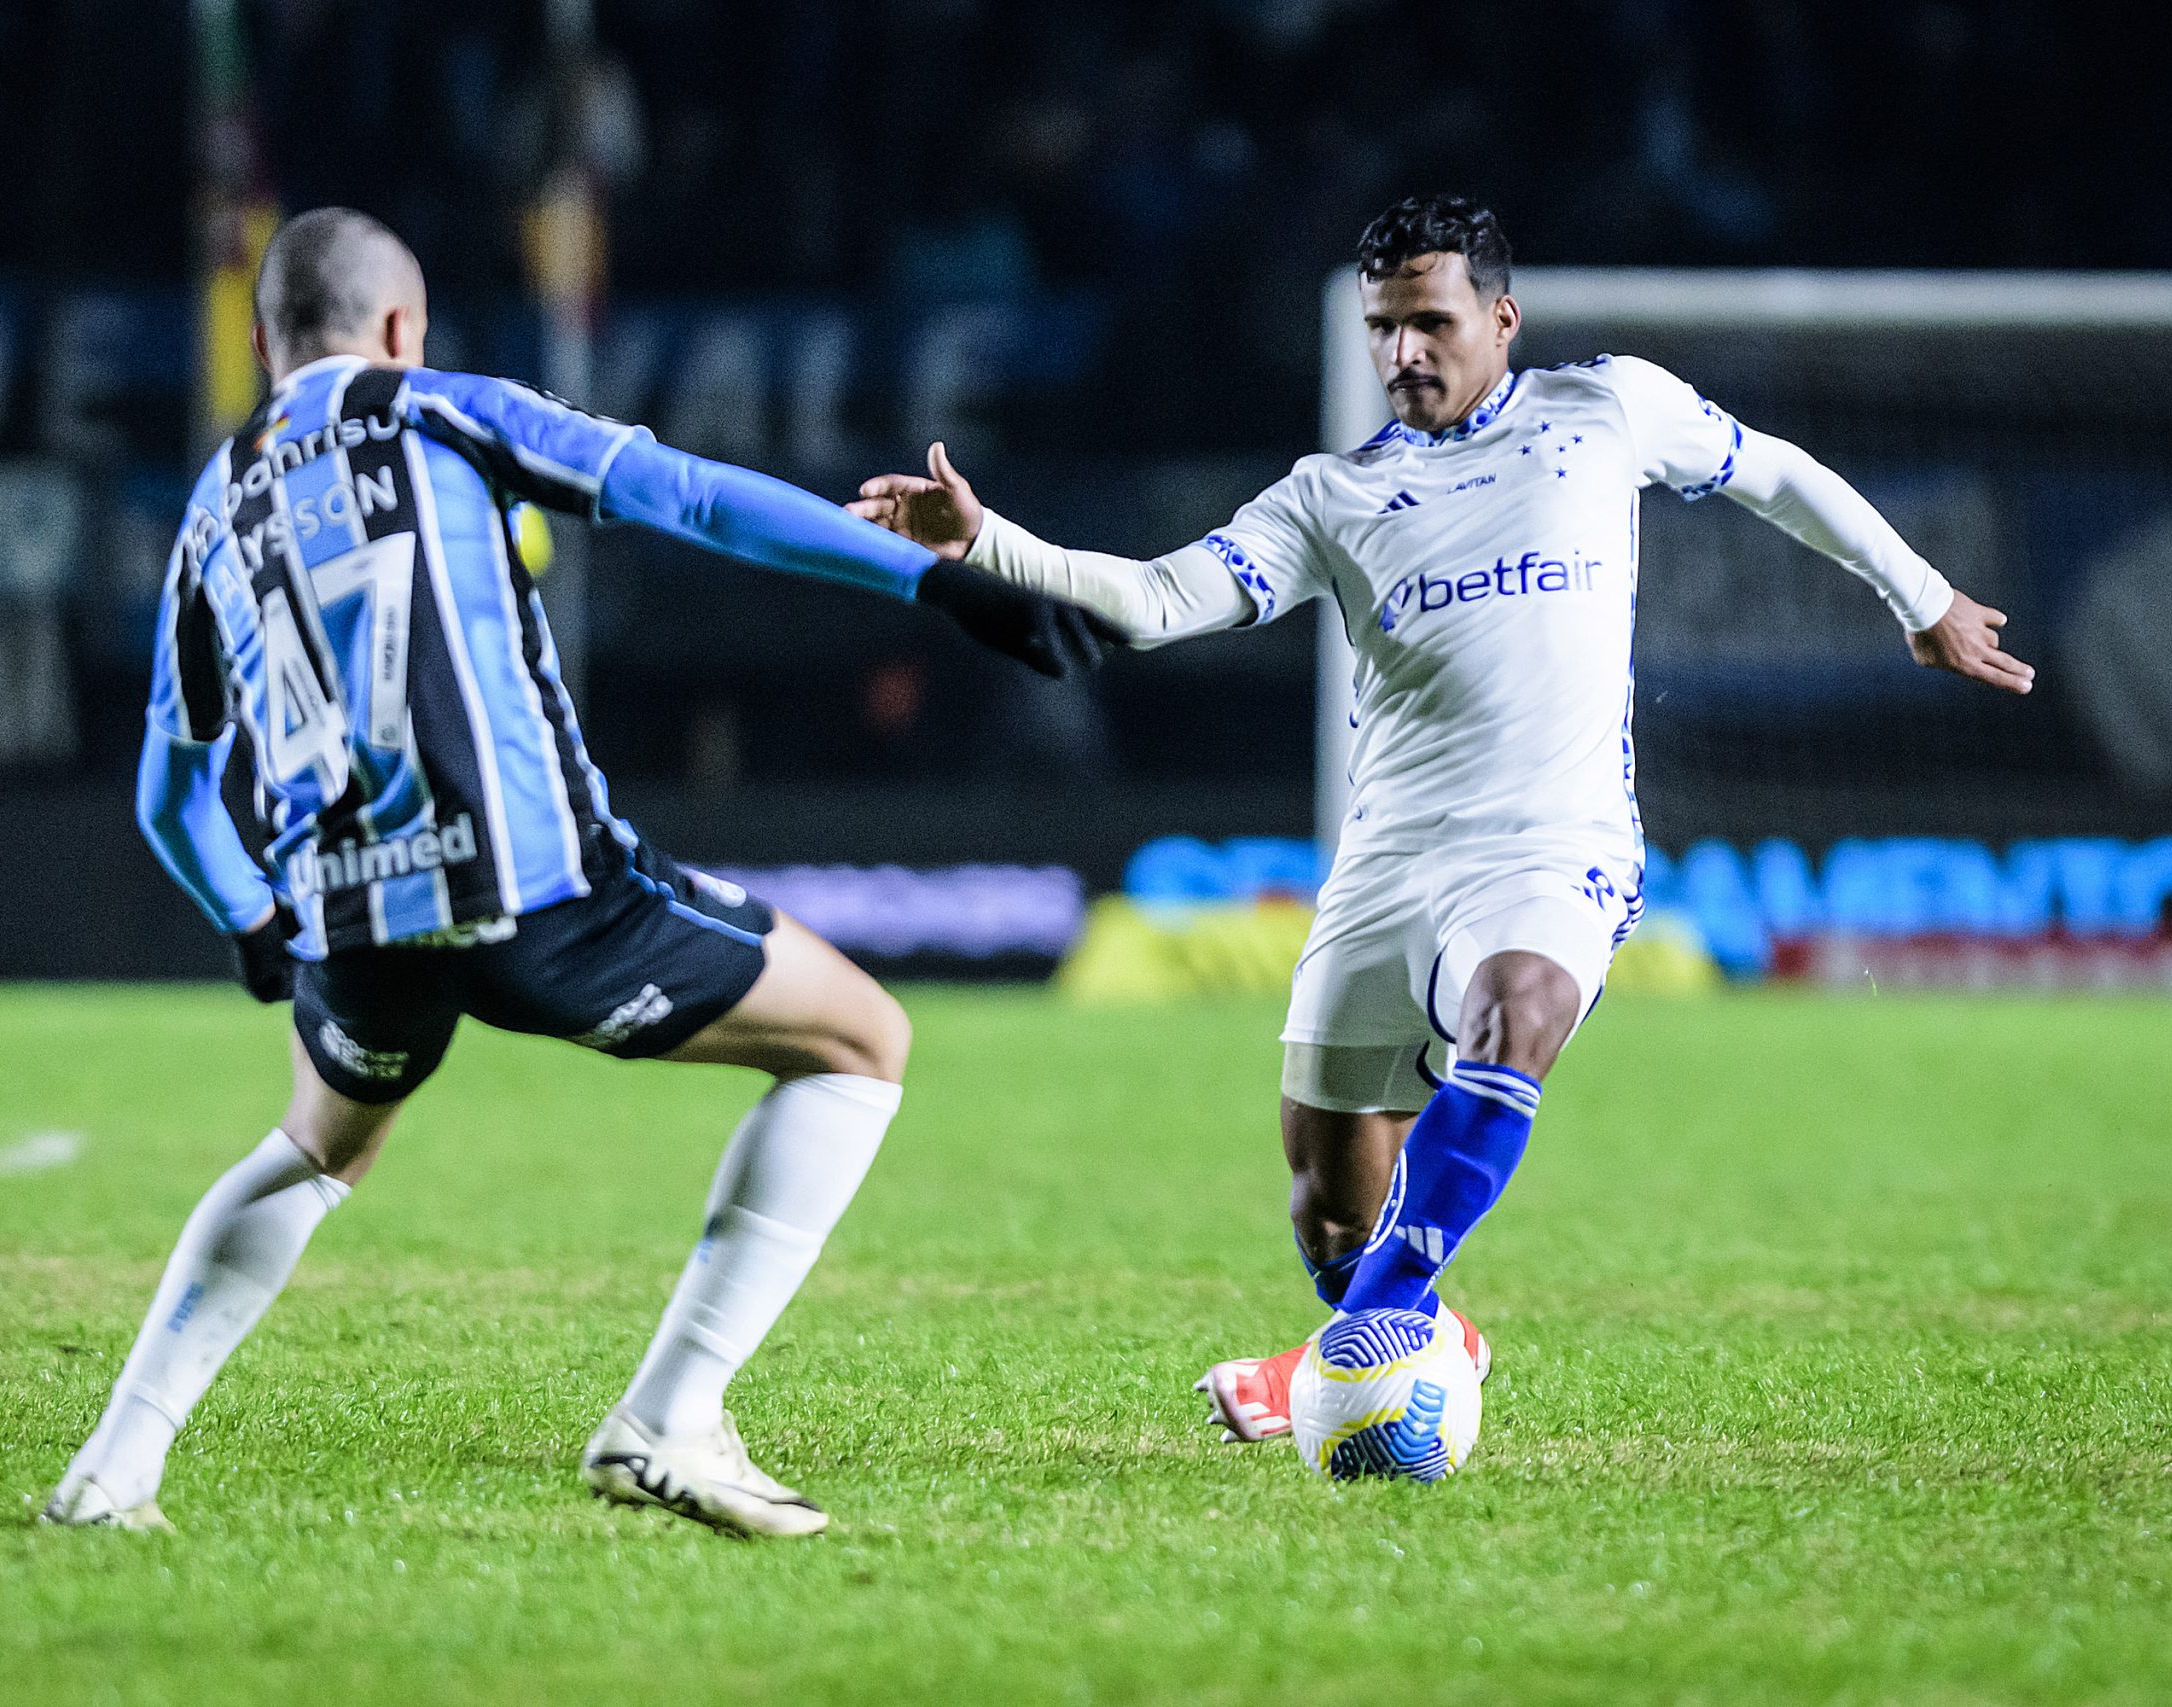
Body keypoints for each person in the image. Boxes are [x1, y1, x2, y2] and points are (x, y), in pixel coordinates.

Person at [847, 193, 2034, 1444]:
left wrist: (1918, 594)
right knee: (1327, 1210)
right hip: (1390, 864)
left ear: (1500, 318)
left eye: (1429, 321)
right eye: (1382, 328)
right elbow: (1149, 603)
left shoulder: (1605, 408)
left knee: (1512, 1014)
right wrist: (985, 539)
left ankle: (1370, 1330)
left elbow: (1776, 471)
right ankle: (1414, 1326)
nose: (1403, 352)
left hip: (1555, 846)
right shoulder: (1328, 496)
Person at [44, 207, 1112, 1538]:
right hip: (528, 879)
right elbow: (690, 495)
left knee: (320, 1143)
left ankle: (113, 1468)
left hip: (350, 910)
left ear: (260, 341)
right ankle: (670, 1415)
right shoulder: (441, 410)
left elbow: (169, 790)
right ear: (397, 330)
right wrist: (935, 583)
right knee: (859, 1036)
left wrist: (253, 918)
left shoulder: (214, 500)